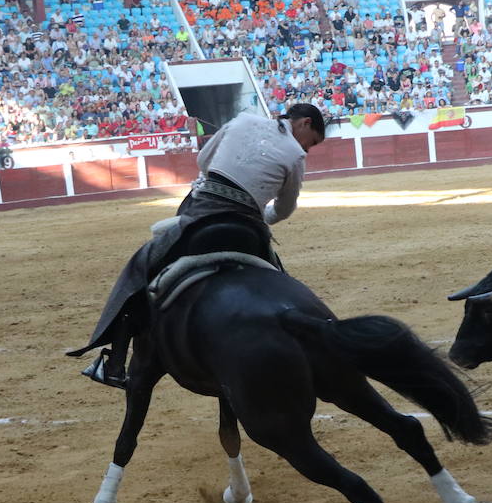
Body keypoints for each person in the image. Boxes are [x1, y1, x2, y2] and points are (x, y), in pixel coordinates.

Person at [70, 103, 328, 388]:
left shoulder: (242, 121)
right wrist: (261, 215)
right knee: (279, 278)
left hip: (198, 214)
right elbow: (284, 208)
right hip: (247, 227)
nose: (307, 150)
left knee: (142, 267)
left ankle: (115, 363)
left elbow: (204, 161)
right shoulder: (295, 156)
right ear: (305, 123)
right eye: (312, 142)